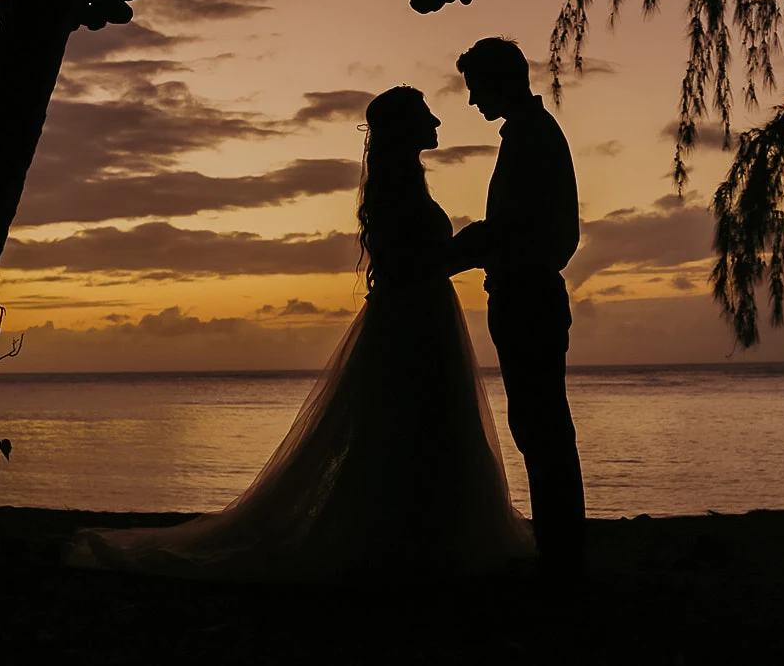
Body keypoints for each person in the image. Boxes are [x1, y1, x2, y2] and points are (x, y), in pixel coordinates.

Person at [65, 86, 531, 580]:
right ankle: (407, 539)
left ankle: (420, 533)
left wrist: (462, 252)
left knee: (421, 425)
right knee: (407, 423)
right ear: (405, 128)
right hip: (413, 320)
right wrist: (469, 247)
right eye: (425, 116)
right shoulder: (397, 188)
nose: (437, 121)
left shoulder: (405, 182)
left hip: (423, 315)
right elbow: (409, 264)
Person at [450, 37, 587, 578]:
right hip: (524, 293)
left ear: (498, 81)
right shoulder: (530, 134)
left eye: (475, 88)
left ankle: (560, 553)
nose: (471, 102)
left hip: (528, 296)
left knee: (541, 423)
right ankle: (559, 547)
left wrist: (446, 257)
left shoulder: (531, 137)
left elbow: (508, 227)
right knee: (539, 421)